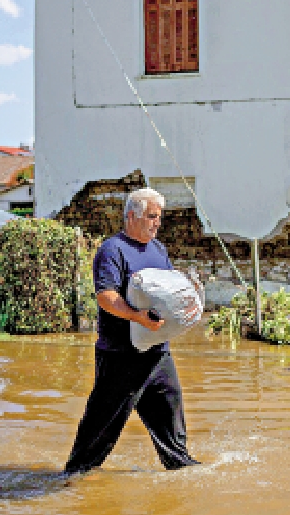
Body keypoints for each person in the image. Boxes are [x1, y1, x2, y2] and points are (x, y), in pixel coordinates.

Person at [63, 187, 200, 475]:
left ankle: (182, 470)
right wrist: (137, 317)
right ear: (131, 216)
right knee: (102, 428)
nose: (157, 223)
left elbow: (171, 291)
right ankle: (74, 478)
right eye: (151, 216)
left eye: (159, 217)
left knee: (171, 416)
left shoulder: (158, 249)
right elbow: (106, 296)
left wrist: (188, 304)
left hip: (157, 354)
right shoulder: (112, 250)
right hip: (120, 357)